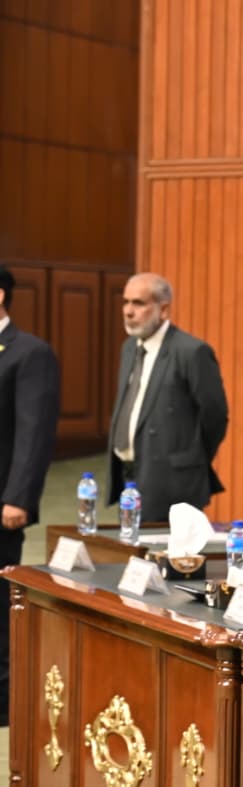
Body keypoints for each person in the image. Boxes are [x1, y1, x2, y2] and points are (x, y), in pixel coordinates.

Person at [108, 273, 229, 522]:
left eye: (138, 303)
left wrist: (189, 459)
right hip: (128, 475)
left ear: (163, 310)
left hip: (173, 482)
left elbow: (215, 416)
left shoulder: (191, 351)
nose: (128, 311)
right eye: (126, 302)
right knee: (130, 542)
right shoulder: (129, 348)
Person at [0, 265, 60, 726]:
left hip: (3, 503)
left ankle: (4, 701)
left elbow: (33, 432)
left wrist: (19, 497)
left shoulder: (29, 353)